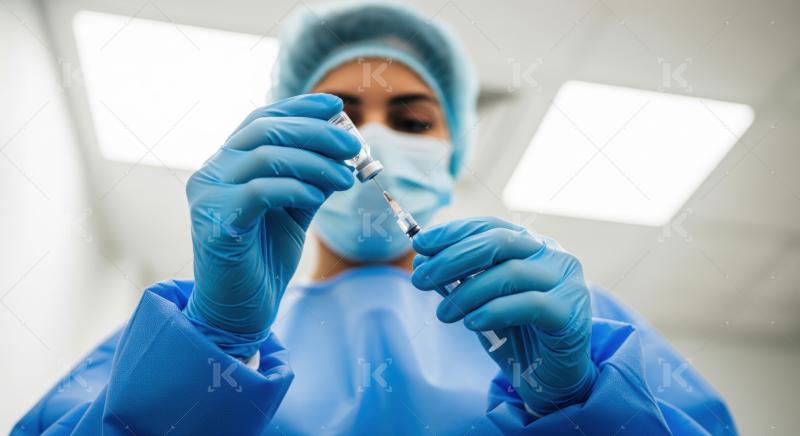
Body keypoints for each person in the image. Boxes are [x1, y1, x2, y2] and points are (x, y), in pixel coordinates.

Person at [14, 2, 736, 435]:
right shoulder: (180, 333)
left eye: (412, 119)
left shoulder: (564, 326)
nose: (374, 136)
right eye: (344, 114)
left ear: (453, 152)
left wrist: (579, 403)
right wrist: (213, 346)